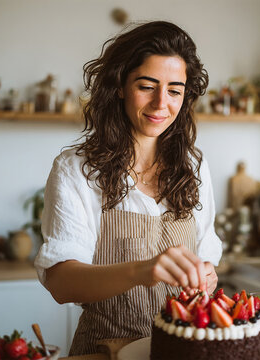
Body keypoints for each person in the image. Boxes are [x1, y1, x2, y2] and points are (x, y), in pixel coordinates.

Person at [34, 21, 222, 355]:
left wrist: (207, 277)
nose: (160, 103)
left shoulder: (195, 166)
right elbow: (62, 283)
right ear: (120, 85)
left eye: (174, 90)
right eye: (147, 86)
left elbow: (206, 260)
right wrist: (142, 270)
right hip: (104, 350)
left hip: (182, 351)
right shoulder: (76, 169)